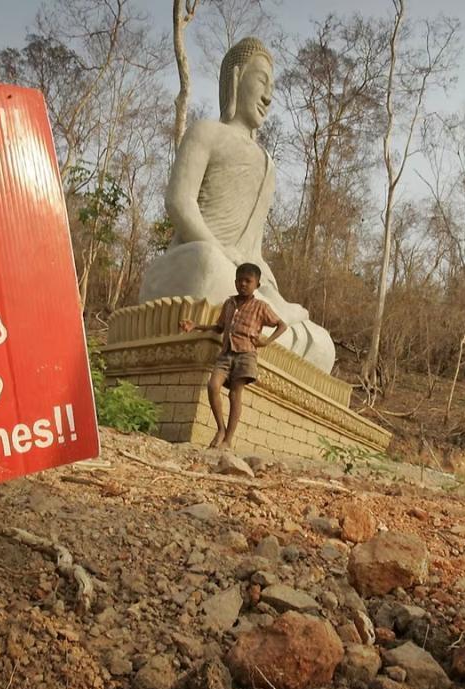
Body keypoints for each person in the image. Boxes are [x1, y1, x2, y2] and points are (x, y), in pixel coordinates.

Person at [140, 36, 335, 372]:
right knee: (209, 264)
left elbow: (253, 249)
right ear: (235, 79)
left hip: (241, 276)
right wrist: (220, 250)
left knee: (322, 344)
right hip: (197, 258)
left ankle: (263, 320)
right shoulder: (206, 132)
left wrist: (270, 291)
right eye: (261, 80)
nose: (268, 96)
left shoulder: (266, 164)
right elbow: (179, 202)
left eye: (272, 86)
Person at [179, 262, 288, 449]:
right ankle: (220, 429)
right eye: (240, 280)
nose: (243, 284)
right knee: (213, 386)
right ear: (235, 282)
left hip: (246, 354)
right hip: (226, 353)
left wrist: (266, 342)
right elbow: (219, 327)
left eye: (248, 281)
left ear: (257, 285)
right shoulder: (229, 303)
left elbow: (282, 325)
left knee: (235, 394)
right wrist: (195, 326)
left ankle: (228, 440)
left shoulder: (261, 306)